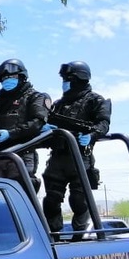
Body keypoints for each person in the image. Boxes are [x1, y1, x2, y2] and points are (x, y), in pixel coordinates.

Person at [40, 61, 112, 239]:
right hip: (58, 157)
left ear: (79, 79)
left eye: (68, 79)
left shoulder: (95, 100)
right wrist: (45, 128)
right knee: (51, 200)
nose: (64, 83)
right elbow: (46, 121)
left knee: (79, 200)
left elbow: (103, 123)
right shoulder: (59, 104)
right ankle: (54, 236)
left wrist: (92, 135)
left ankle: (79, 236)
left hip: (80, 157)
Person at [0, 58, 50, 189]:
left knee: (19, 191)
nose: (8, 80)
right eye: (5, 77)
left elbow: (37, 123)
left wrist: (10, 134)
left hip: (22, 154)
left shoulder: (35, 97)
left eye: (12, 76)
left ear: (22, 77)